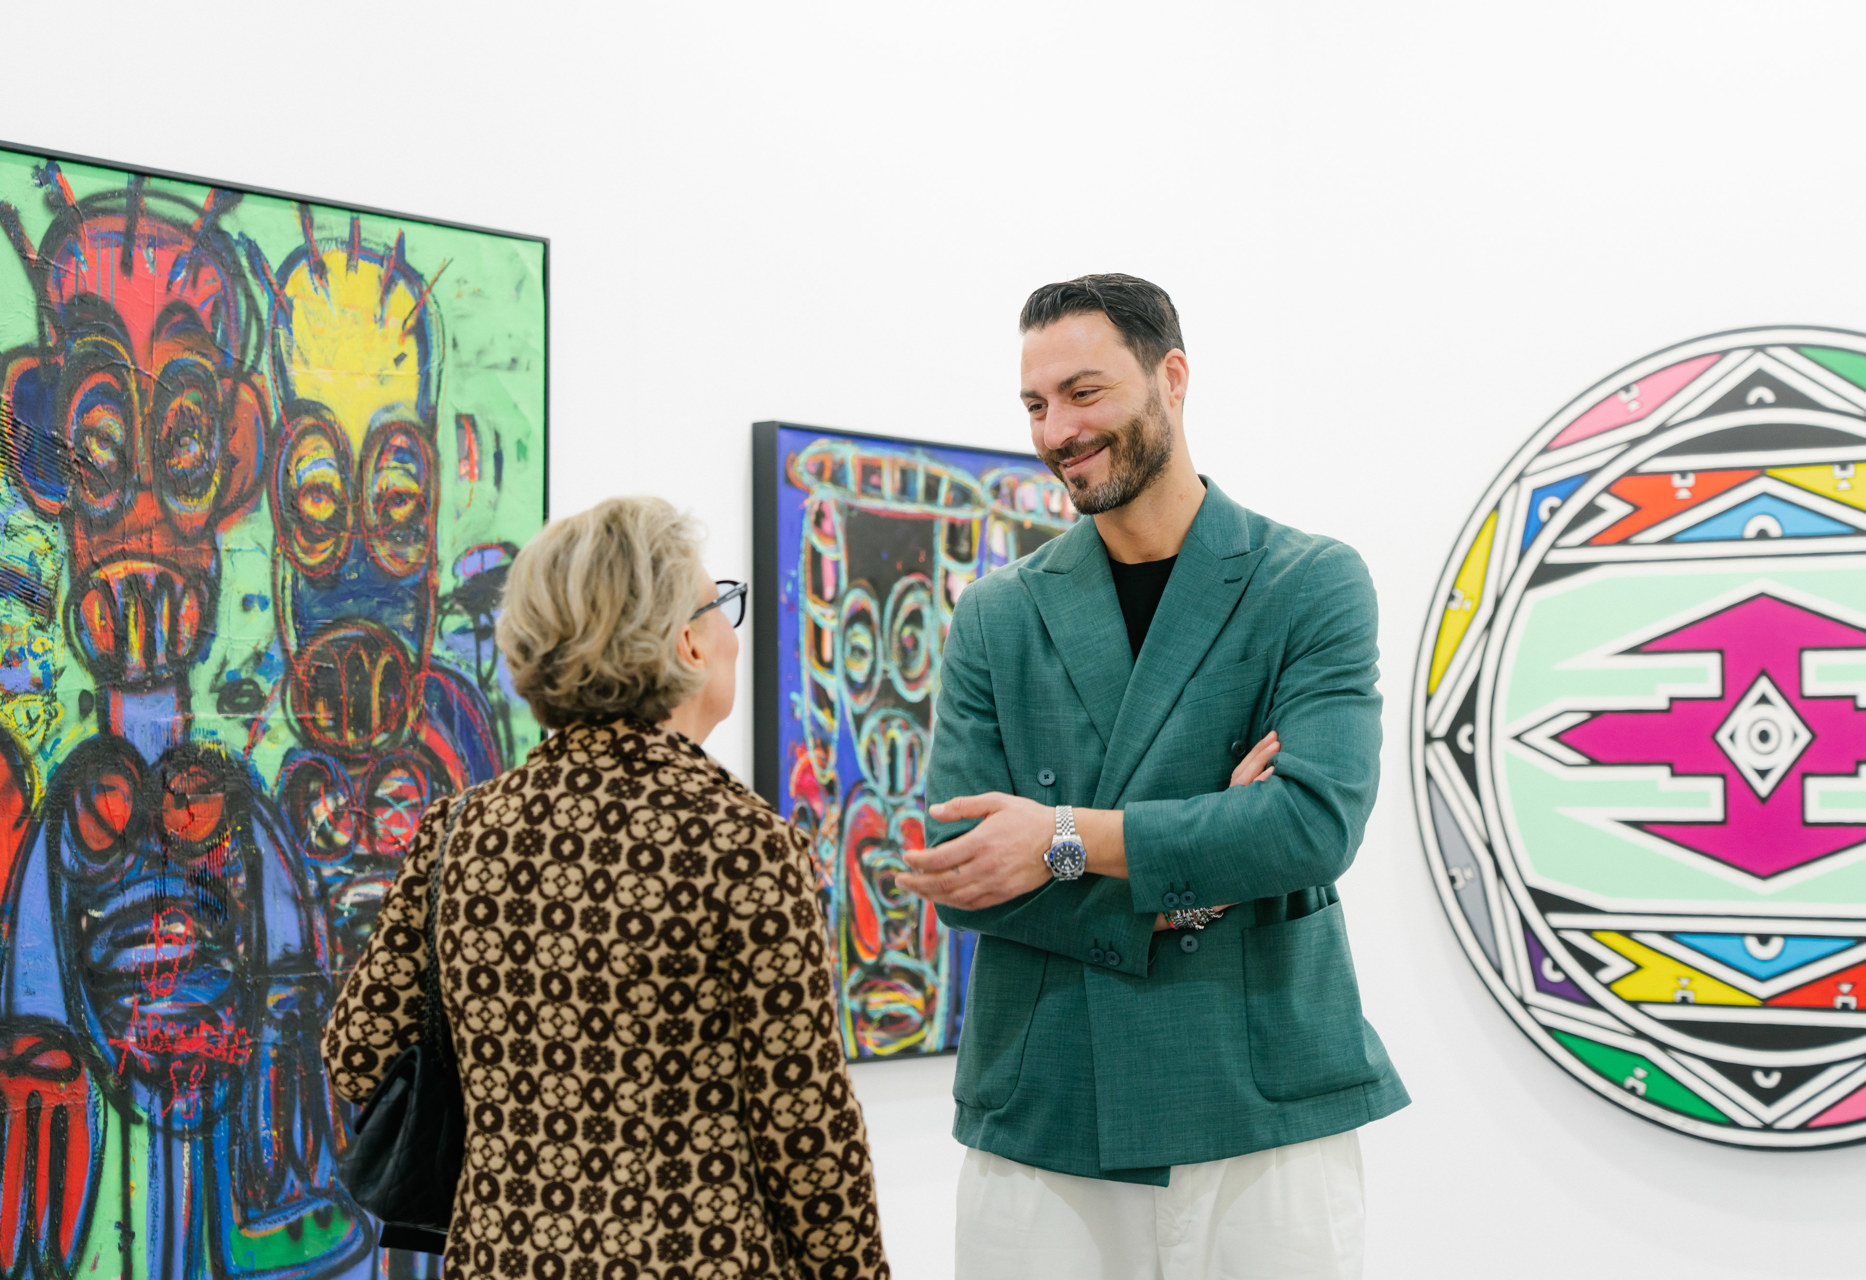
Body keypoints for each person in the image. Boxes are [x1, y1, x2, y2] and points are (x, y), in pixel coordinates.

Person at [900, 275, 1408, 1280]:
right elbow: (962, 873)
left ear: (1171, 378)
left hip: (1262, 1107)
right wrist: (1201, 874)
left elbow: (1312, 827)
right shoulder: (998, 614)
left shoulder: (1308, 582)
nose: (1056, 431)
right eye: (1035, 404)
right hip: (1049, 1106)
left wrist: (1060, 838)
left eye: (1083, 392)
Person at [323, 496, 891, 1280]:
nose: (732, 632)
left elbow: (357, 1055)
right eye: (721, 606)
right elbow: (807, 1134)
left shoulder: (459, 833)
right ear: (687, 641)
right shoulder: (744, 847)